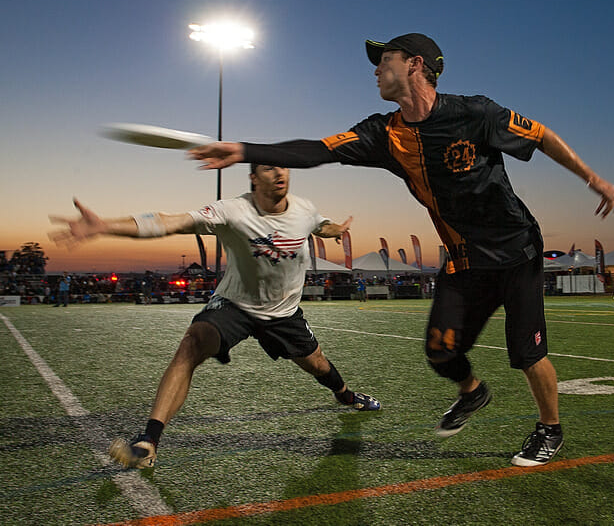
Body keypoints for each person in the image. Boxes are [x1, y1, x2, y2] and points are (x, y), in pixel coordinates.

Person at [189, 33, 614, 467]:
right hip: (465, 262)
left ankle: (550, 429)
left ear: (415, 64)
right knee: (440, 351)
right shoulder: (385, 134)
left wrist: (591, 178)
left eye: (384, 60)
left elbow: (541, 135)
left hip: (517, 253)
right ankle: (473, 392)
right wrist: (246, 150)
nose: (376, 69)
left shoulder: (475, 112)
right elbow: (317, 150)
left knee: (528, 353)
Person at [49, 164, 380, 469]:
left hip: (283, 313)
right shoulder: (232, 210)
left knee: (318, 364)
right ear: (253, 178)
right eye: (269, 168)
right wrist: (105, 225)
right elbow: (170, 221)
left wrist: (336, 229)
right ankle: (148, 442)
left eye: (283, 166)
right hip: (234, 305)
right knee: (191, 345)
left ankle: (346, 396)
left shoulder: (303, 208)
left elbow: (319, 223)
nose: (280, 172)